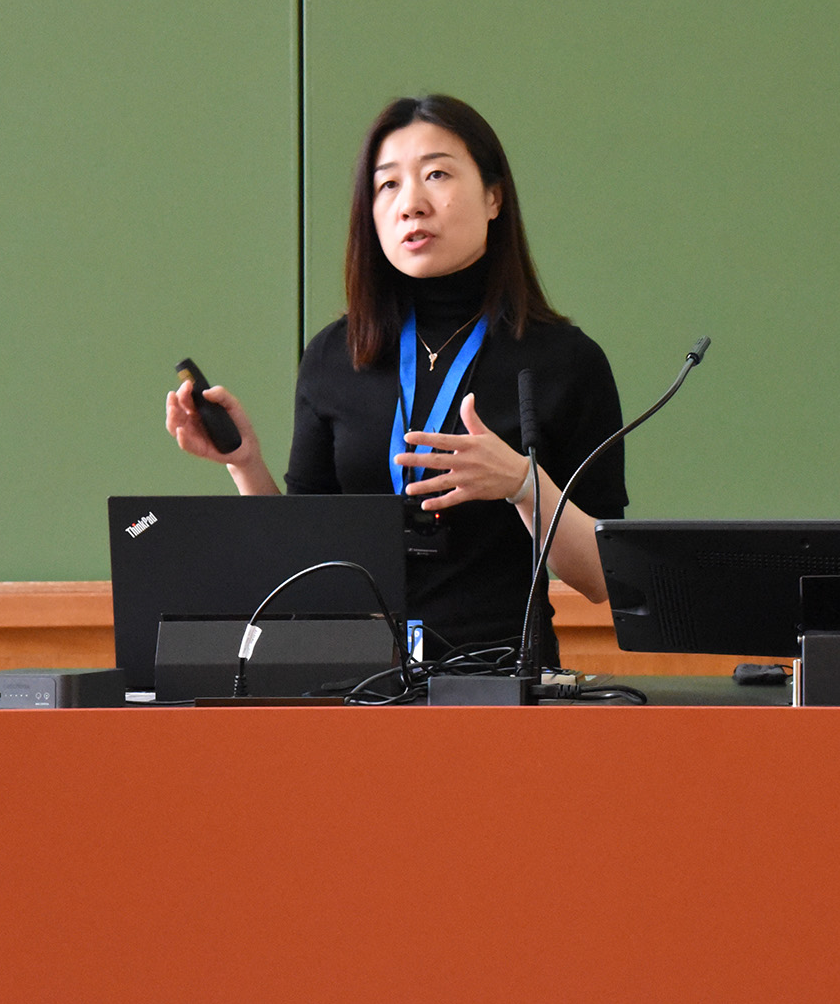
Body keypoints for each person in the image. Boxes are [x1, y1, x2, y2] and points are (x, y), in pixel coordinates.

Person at [163, 95, 625, 663]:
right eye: (387, 185)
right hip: (354, 685)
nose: (411, 203)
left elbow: (604, 580)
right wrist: (244, 463)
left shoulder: (565, 361)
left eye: (436, 174)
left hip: (503, 686)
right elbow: (300, 564)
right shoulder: (336, 355)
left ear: (494, 197)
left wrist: (523, 485)